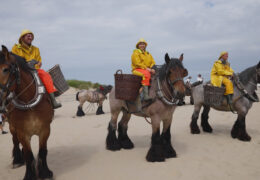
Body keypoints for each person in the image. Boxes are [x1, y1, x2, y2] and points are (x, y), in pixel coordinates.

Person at [12, 29, 61, 109]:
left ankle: (53, 100)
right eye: (27, 35)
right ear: (22, 38)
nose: (30, 37)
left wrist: (38, 64)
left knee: (45, 75)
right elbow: (14, 60)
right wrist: (26, 64)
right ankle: (6, 103)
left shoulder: (36, 49)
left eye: (31, 36)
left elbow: (39, 61)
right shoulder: (16, 48)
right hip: (21, 70)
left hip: (34, 69)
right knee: (8, 78)